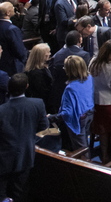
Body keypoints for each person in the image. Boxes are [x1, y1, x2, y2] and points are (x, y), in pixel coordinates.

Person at [0, 73, 48, 201]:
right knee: (19, 192)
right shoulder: (37, 104)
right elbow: (44, 127)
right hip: (25, 155)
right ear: (27, 86)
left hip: (3, 158)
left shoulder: (1, 110)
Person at [47, 55, 94, 151]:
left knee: (81, 149)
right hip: (90, 114)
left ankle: (85, 165)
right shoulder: (89, 78)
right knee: (85, 142)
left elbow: (67, 113)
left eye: (65, 67)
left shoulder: (71, 88)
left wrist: (51, 117)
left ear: (70, 70)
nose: (64, 69)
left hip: (79, 119)